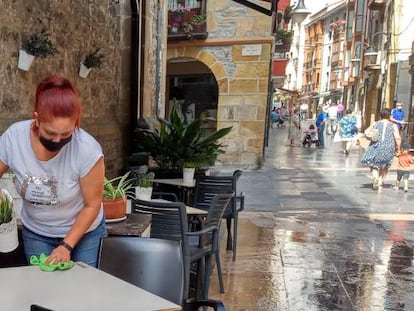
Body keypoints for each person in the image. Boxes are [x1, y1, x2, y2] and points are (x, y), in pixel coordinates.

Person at [0, 75, 107, 267]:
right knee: (44, 291)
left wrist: (66, 246)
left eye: (66, 134)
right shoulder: (14, 139)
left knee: (85, 289)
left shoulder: (87, 149)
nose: (57, 140)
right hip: (37, 232)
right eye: (50, 133)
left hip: (85, 233)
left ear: (76, 124)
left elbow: (92, 205)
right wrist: (3, 211)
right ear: (37, 119)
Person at [361, 108, 401, 190]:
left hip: (375, 146)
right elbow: (397, 138)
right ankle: (380, 181)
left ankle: (375, 177)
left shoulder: (375, 123)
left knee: (373, 164)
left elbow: (366, 132)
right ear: (389, 116)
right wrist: (398, 148)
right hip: (388, 147)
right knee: (384, 166)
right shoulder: (393, 126)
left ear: (380, 116)